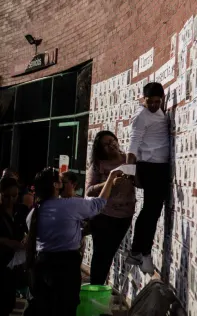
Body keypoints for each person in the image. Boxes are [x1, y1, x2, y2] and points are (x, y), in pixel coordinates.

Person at [25, 167, 122, 316]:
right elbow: (99, 204)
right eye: (61, 180)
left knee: (45, 307)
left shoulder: (36, 210)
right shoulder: (69, 205)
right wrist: (110, 178)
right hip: (65, 266)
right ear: (55, 185)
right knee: (66, 307)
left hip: (42, 264)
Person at [125, 82, 171, 274]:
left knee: (152, 211)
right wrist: (131, 174)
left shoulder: (158, 112)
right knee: (151, 211)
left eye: (157, 102)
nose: (153, 105)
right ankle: (141, 252)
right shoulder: (141, 116)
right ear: (143, 100)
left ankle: (140, 252)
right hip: (149, 167)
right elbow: (132, 147)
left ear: (162, 100)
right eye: (149, 102)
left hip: (159, 167)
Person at [86, 130, 136, 285]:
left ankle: (99, 288)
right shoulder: (98, 165)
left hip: (125, 215)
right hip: (104, 216)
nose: (111, 145)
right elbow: (88, 191)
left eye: (112, 141)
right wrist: (109, 182)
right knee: (101, 255)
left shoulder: (127, 159)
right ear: (101, 150)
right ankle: (95, 289)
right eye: (106, 145)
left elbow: (139, 182)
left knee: (110, 253)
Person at [0, 177, 26, 316]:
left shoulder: (20, 210)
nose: (10, 200)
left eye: (14, 196)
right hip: (2, 260)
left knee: (9, 303)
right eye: (6, 196)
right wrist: (5, 241)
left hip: (13, 265)